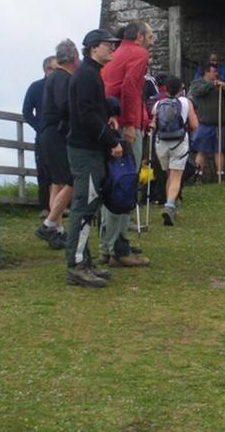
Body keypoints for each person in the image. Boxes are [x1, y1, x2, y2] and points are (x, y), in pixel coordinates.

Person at [64, 29, 124, 288]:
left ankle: (83, 260)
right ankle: (77, 265)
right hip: (85, 151)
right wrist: (111, 141)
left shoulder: (90, 74)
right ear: (93, 48)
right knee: (84, 206)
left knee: (88, 205)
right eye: (107, 45)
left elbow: (91, 111)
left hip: (88, 149)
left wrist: (108, 109)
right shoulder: (87, 76)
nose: (112, 48)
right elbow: (86, 116)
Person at [101, 21, 153, 266]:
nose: (152, 39)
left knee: (111, 184)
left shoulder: (115, 54)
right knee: (125, 182)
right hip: (124, 125)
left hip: (110, 123)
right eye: (151, 35)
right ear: (140, 37)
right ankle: (119, 248)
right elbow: (131, 88)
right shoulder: (138, 53)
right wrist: (131, 123)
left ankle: (107, 244)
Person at [34, 41, 76, 249]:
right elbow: (65, 105)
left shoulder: (52, 78)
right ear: (75, 59)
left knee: (57, 182)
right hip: (57, 134)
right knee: (72, 179)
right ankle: (49, 223)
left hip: (47, 134)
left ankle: (57, 230)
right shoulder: (63, 79)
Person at [152, 75, 198, 226]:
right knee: (176, 177)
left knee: (169, 176)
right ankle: (170, 205)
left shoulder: (158, 104)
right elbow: (194, 124)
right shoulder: (185, 102)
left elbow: (153, 124)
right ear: (180, 89)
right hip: (178, 142)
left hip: (162, 144)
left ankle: (170, 206)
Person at [22, 55, 56, 216]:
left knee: (62, 171)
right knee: (43, 170)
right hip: (43, 135)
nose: (55, 72)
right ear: (45, 69)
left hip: (62, 135)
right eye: (52, 69)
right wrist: (39, 127)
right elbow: (27, 111)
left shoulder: (65, 85)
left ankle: (60, 206)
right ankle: (44, 207)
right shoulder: (36, 87)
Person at [188, 63, 225, 182]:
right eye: (213, 71)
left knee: (219, 150)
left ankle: (220, 175)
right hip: (204, 123)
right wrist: (211, 85)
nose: (216, 74)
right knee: (201, 150)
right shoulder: (197, 83)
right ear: (206, 72)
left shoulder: (220, 84)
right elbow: (198, 92)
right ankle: (198, 176)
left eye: (216, 72)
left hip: (219, 123)